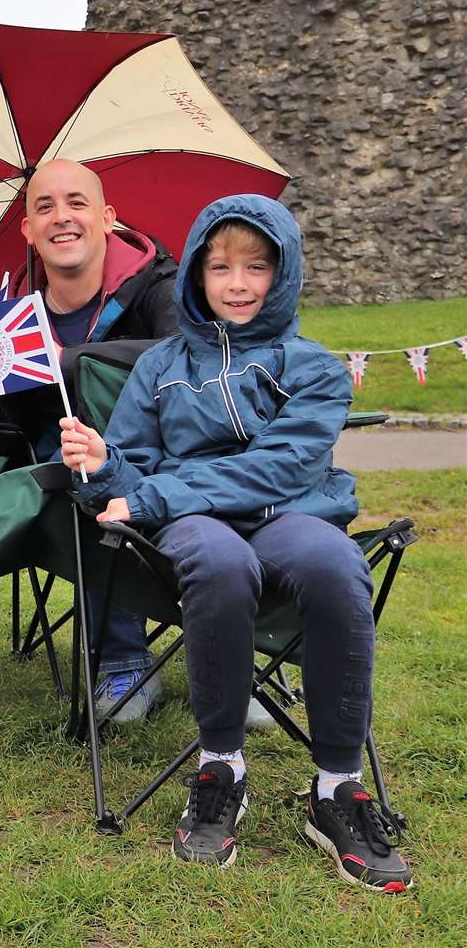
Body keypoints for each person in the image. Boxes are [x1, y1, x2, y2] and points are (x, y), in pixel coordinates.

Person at [61, 194, 410, 890]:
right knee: (219, 563)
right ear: (194, 273)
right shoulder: (159, 368)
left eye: (257, 266)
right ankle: (221, 767)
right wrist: (103, 461)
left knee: (338, 563)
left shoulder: (313, 367)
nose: (239, 283)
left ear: (284, 273)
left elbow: (280, 467)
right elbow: (129, 467)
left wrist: (156, 490)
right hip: (200, 529)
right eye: (220, 267)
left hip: (290, 512)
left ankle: (337, 787)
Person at [0, 158, 189, 726]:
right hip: (68, 472)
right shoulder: (10, 313)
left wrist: (73, 359)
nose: (62, 218)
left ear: (107, 218)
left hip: (170, 458)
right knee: (69, 464)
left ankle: (232, 651)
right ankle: (124, 660)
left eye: (77, 203)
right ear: (27, 230)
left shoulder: (162, 283)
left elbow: (190, 354)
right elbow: (22, 434)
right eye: (44, 207)